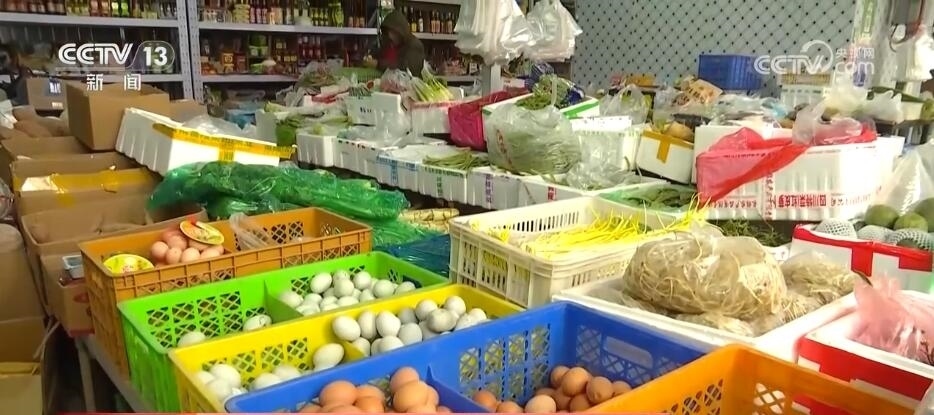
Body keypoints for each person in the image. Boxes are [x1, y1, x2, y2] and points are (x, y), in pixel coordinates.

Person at [367, 9, 425, 75]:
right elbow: (378, 55)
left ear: (402, 31)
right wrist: (369, 57)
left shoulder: (414, 45)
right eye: (388, 32)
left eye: (394, 32)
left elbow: (408, 68)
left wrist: (378, 64)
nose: (390, 35)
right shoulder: (389, 44)